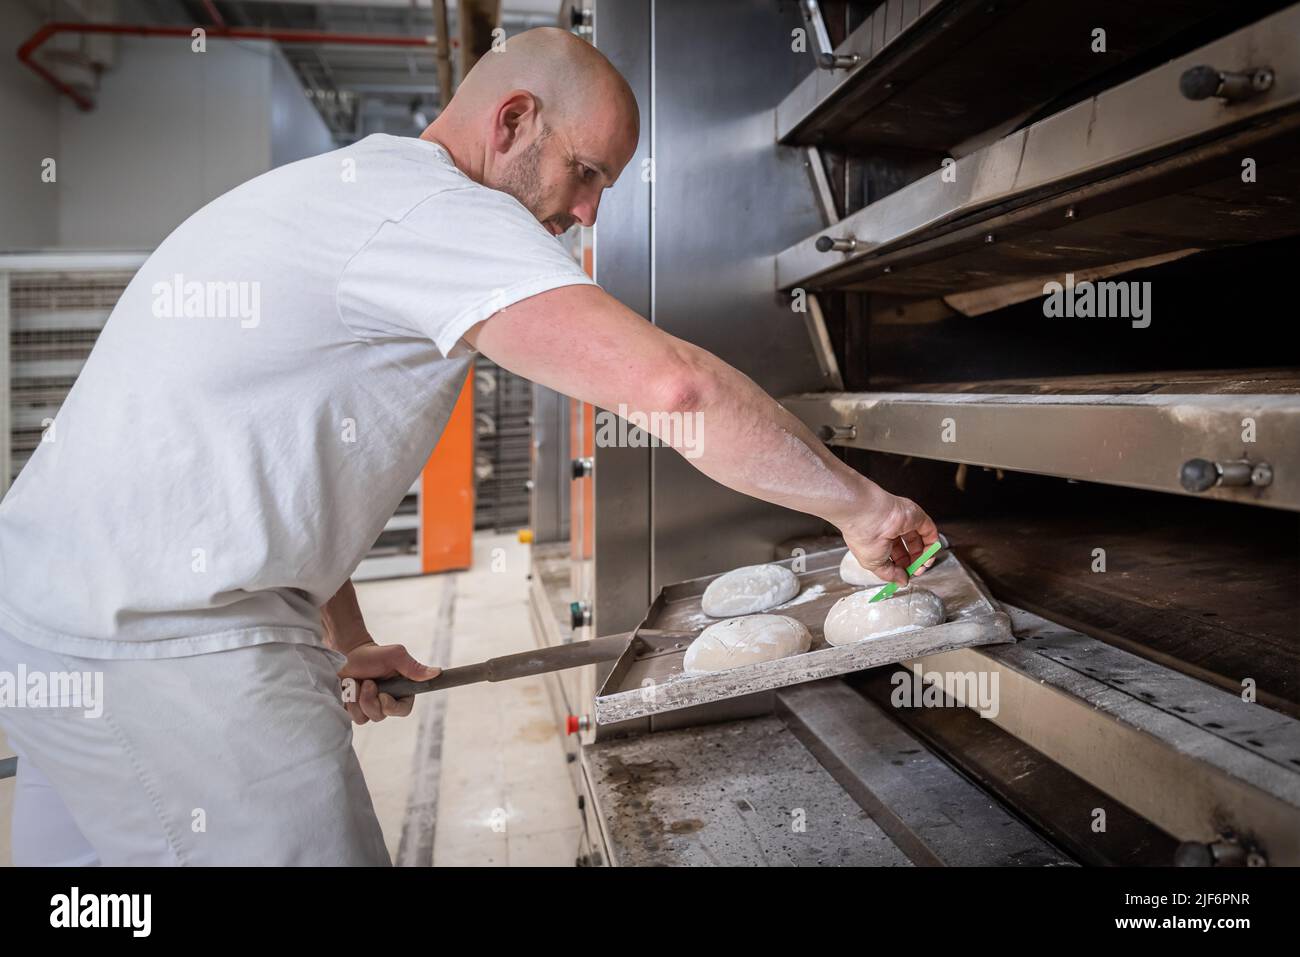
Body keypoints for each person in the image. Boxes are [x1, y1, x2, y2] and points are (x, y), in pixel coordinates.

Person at [0, 27, 938, 865]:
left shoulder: (350, 192)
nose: (590, 213)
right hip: (170, 650)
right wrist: (861, 507)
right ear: (514, 121)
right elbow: (674, 390)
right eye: (588, 172)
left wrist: (349, 640)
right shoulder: (439, 212)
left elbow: (268, 456)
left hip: (47, 618)